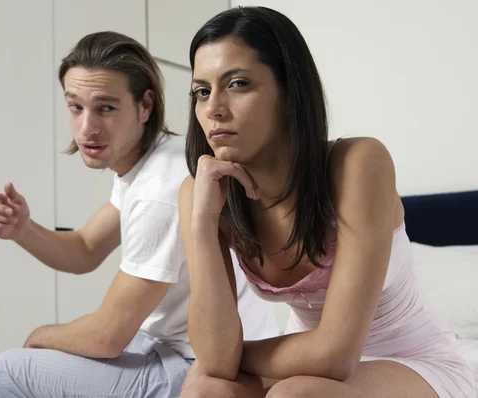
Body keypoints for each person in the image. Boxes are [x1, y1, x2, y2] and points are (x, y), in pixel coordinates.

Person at [178, 6, 477, 398]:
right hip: (302, 363)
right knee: (206, 389)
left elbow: (335, 355)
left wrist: (237, 356)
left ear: (289, 92)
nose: (214, 108)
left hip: (410, 361)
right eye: (202, 91)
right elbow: (215, 363)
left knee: (294, 395)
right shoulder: (201, 191)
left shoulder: (358, 165)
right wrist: (202, 225)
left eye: (237, 84)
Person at [0, 31, 279, 398]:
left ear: (145, 106)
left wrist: (41, 337)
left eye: (106, 107)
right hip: (171, 347)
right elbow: (86, 247)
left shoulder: (159, 192)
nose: (88, 127)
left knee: (3, 372)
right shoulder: (153, 158)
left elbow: (107, 336)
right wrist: (23, 229)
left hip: (205, 367)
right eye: (75, 106)